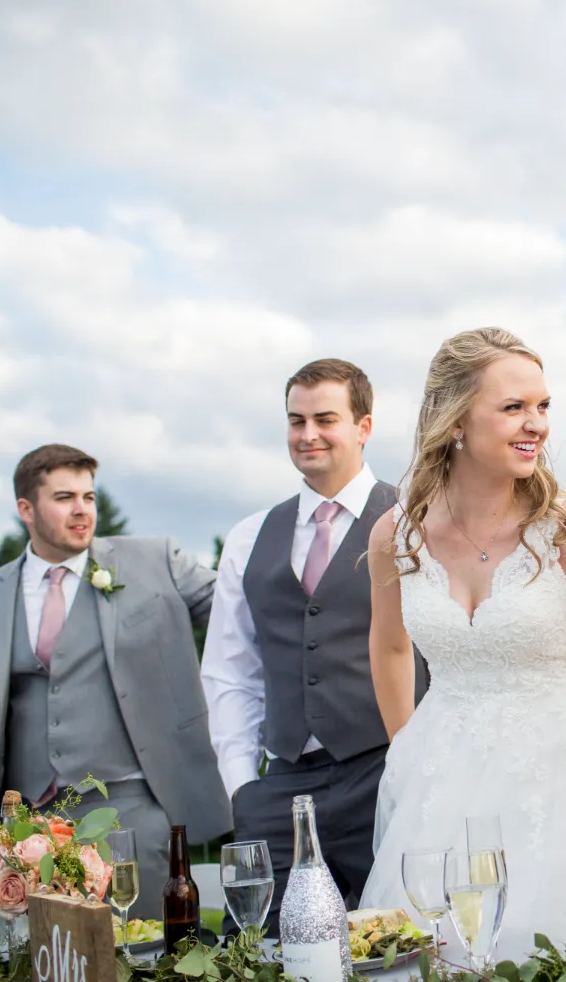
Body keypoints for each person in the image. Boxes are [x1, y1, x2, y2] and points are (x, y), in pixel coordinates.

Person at [360, 328, 566, 956]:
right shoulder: (395, 536)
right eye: (513, 408)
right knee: (435, 948)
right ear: (455, 421)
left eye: (543, 406)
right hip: (440, 783)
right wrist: (405, 746)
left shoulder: (565, 527)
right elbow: (391, 646)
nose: (537, 424)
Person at [0, 444, 231, 918]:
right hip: (30, 823)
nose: (82, 509)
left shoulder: (155, 560)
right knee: (50, 959)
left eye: (89, 496)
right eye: (64, 497)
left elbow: (242, 608)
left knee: (149, 952)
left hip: (132, 809)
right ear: (26, 508)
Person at [201, 359, 426, 924]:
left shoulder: (414, 522)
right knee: (260, 947)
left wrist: (423, 766)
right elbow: (231, 670)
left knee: (402, 939)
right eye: (296, 421)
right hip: (281, 787)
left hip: (386, 776)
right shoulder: (249, 537)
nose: (308, 435)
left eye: (325, 418)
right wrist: (243, 787)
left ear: (364, 426)